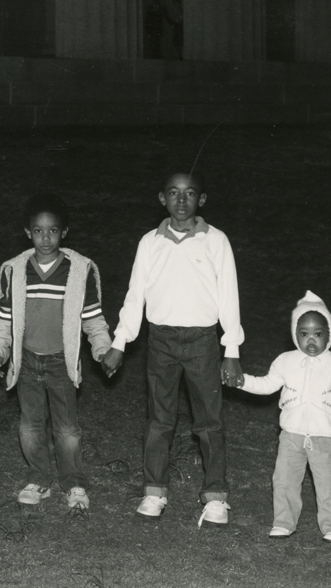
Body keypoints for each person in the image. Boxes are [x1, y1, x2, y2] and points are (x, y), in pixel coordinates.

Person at [101, 171, 242, 522]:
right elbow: (136, 295)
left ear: (202, 200)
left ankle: (215, 496)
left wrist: (232, 350)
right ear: (162, 198)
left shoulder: (216, 240)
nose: (182, 200)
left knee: (208, 421)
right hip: (161, 340)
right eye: (174, 193)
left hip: (202, 341)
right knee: (159, 419)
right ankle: (154, 491)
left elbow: (229, 296)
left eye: (190, 193)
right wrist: (119, 342)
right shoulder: (150, 242)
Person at [0, 193, 117, 510]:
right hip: (27, 360)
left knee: (67, 428)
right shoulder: (15, 270)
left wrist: (103, 350)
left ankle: (74, 483)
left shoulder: (79, 270)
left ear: (65, 232)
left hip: (61, 361)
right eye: (38, 231)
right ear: (27, 232)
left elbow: (93, 318)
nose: (45, 238)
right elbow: (4, 318)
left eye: (53, 231)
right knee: (30, 425)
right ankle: (39, 479)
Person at [233, 291, 331, 543]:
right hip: (291, 435)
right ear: (294, 334)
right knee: (284, 480)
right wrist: (242, 381)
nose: (311, 340)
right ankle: (284, 522)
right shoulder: (285, 361)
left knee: (327, 482)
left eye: (318, 333)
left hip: (324, 436)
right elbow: (267, 384)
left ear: (329, 333)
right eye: (304, 333)